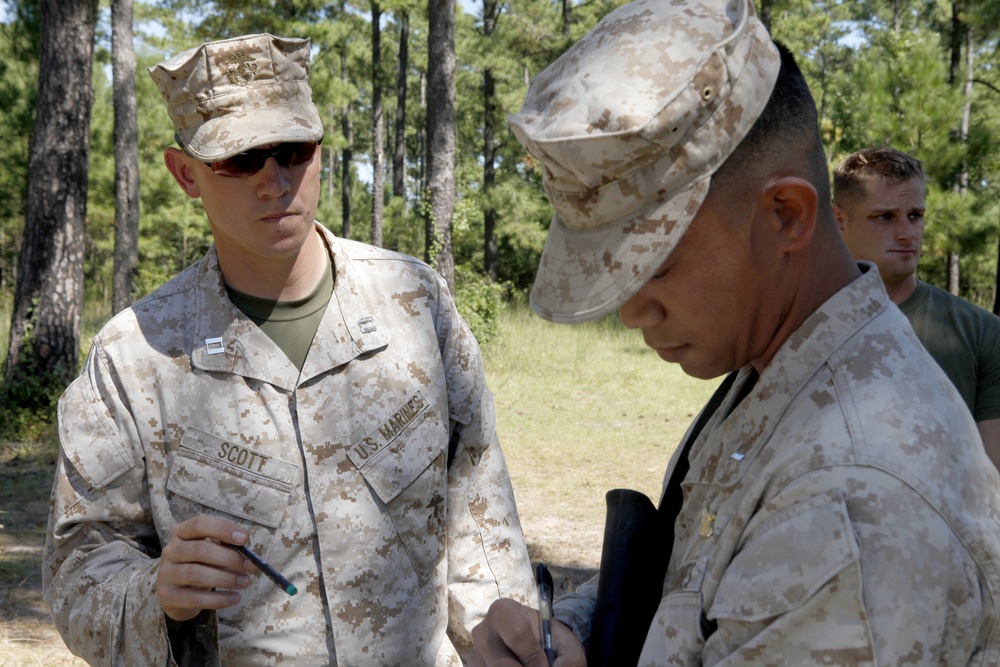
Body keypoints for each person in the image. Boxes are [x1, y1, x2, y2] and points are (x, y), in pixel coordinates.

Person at [469, 0, 1000, 665]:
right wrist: (571, 628)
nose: (631, 310)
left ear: (785, 215)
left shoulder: (851, 504)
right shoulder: (779, 367)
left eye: (653, 261)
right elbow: (694, 579)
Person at [43, 33, 534, 666]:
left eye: (292, 151)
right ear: (186, 174)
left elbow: (479, 512)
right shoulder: (136, 356)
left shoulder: (415, 303)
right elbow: (80, 569)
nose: (274, 182)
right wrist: (154, 591)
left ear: (320, 150)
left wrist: (509, 636)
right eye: (240, 160)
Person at [833, 146, 1000, 469]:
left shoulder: (982, 333)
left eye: (915, 216)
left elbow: (993, 487)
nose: (907, 234)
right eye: (884, 217)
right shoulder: (793, 326)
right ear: (839, 220)